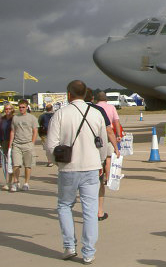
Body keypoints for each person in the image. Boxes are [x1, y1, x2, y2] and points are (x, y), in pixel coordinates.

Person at [46, 80, 108, 264]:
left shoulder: (60, 114)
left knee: (65, 206)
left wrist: (56, 162)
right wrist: (101, 161)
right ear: (86, 94)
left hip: (68, 168)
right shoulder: (96, 114)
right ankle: (88, 252)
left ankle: (69, 246)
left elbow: (51, 145)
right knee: (90, 210)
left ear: (69, 94)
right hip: (91, 167)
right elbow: (102, 143)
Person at [93, 92, 122, 221]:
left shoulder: (94, 108)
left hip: (96, 139)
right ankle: (108, 177)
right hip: (108, 136)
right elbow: (116, 122)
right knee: (108, 158)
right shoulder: (111, 108)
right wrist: (118, 135)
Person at [8, 99, 38, 192]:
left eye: (23, 107)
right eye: (20, 107)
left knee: (27, 165)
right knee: (16, 165)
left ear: (27, 107)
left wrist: (32, 143)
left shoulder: (32, 118)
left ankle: (26, 183)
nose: (21, 109)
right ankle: (16, 182)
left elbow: (35, 131)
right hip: (17, 144)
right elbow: (13, 131)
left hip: (28, 144)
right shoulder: (15, 118)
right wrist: (10, 145)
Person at [0, 103, 14, 190]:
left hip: (13, 142)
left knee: (12, 162)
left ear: (12, 109)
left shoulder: (15, 119)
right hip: (4, 142)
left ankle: (12, 181)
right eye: (6, 109)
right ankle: (7, 182)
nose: (7, 110)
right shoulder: (2, 119)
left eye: (9, 109)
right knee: (5, 162)